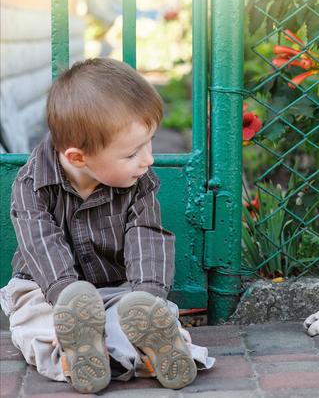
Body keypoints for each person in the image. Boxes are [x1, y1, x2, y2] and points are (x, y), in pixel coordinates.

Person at [0, 58, 214, 393]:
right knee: (36, 326)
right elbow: (41, 243)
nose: (148, 159)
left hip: (117, 288)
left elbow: (147, 236)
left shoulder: (141, 182)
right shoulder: (32, 185)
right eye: (132, 154)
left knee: (141, 315)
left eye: (150, 142)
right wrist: (66, 295)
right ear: (77, 158)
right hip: (44, 288)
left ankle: (156, 350)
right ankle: (80, 356)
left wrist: (147, 294)